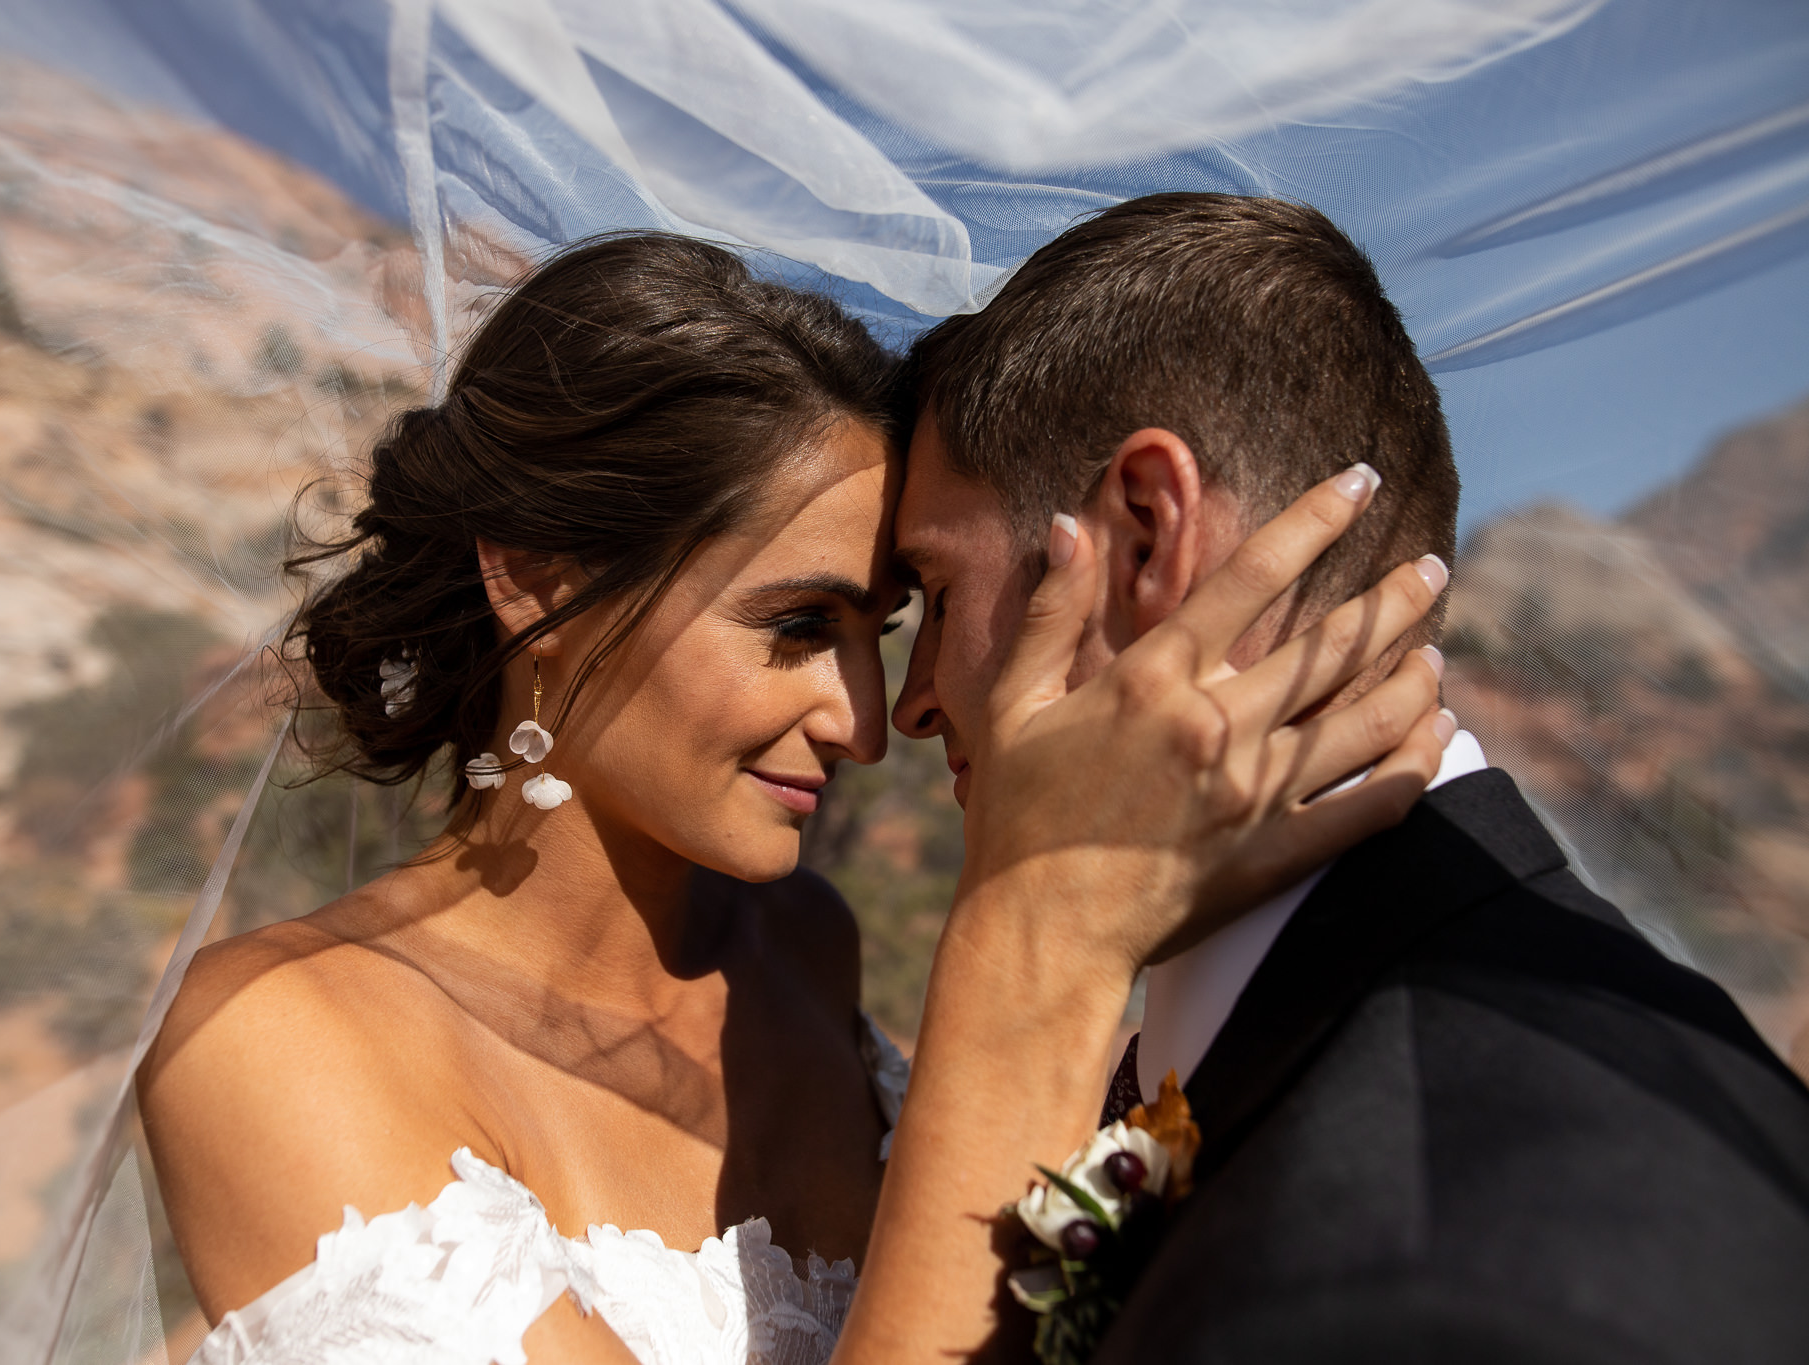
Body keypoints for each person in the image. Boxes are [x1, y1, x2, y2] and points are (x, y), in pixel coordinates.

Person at [136, 231, 1451, 1365]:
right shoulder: (274, 1039)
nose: (865, 724)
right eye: (793, 625)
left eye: (879, 633)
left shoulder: (809, 951)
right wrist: (1034, 938)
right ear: (533, 575)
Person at [884, 193, 1809, 1361]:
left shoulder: (1431, 1276)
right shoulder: (1500, 1013)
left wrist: (1021, 933)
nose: (907, 701)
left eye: (935, 594)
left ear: (1140, 539)